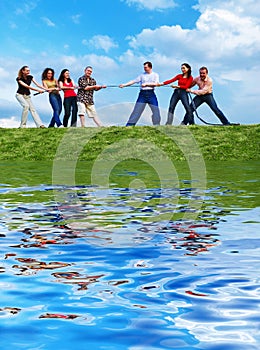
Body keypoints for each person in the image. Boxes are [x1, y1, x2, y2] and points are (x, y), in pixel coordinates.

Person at [119, 61, 161, 126]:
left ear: (150, 67)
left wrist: (147, 84)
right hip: (142, 95)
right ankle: (129, 126)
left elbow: (157, 84)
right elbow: (133, 81)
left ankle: (157, 125)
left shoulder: (155, 75)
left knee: (156, 110)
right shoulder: (142, 75)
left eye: (146, 67)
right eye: (144, 67)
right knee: (137, 110)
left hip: (151, 94)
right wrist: (124, 85)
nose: (144, 68)